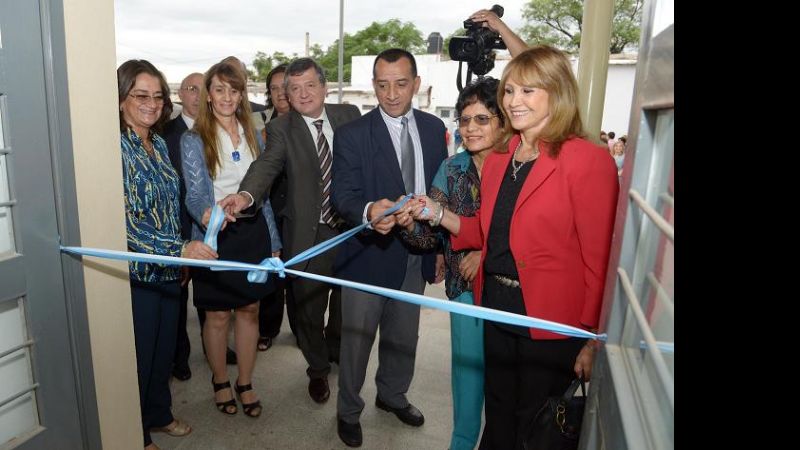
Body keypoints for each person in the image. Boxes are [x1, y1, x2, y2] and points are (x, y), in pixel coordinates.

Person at [410, 46, 619, 449]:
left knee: (535, 429)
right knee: (500, 417)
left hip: (552, 324)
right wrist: (435, 214)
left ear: (557, 93)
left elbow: (601, 262)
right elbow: (487, 233)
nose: (513, 101)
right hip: (497, 309)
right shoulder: (504, 156)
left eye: (528, 91)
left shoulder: (586, 160)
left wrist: (594, 339)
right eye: (509, 91)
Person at [219, 57, 361, 405]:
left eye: (310, 85)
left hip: (353, 233)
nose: (302, 94)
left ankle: (336, 348)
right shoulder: (282, 128)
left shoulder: (350, 116)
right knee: (308, 312)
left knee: (348, 306)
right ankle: (316, 369)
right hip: (309, 237)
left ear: (325, 87)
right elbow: (266, 165)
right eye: (294, 89)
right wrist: (245, 195)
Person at [330, 48, 447, 448]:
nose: (392, 94)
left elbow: (440, 191)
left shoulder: (434, 130)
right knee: (357, 341)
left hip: (416, 254)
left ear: (416, 84)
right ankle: (348, 410)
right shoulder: (351, 134)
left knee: (404, 335)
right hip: (368, 255)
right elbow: (341, 195)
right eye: (382, 85)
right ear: (373, 85)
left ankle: (392, 394)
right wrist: (366, 210)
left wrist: (441, 246)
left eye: (401, 84)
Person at [118, 59, 217, 450]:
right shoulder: (115, 150)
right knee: (139, 358)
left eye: (158, 96)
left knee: (162, 354)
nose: (152, 103)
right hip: (139, 272)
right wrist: (180, 248)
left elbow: (173, 207)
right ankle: (136, 432)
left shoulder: (158, 142)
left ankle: (159, 415)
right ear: (122, 98)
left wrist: (182, 255)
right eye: (141, 95)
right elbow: (126, 225)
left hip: (171, 268)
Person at [181, 60, 281, 418]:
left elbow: (263, 193)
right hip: (215, 234)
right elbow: (194, 195)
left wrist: (272, 238)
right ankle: (221, 380)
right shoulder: (194, 138)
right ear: (209, 94)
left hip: (251, 231)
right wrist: (206, 215)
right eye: (219, 89)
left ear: (241, 95)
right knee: (218, 315)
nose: (226, 97)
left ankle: (246, 381)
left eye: (234, 90)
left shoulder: (255, 133)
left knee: (250, 310)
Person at [250, 62, 298, 352]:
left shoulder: (307, 119)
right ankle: (267, 328)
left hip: (298, 207)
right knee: (270, 268)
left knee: (296, 271)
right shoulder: (257, 122)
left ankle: (301, 328)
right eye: (274, 88)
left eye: (285, 86)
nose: (280, 93)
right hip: (266, 206)